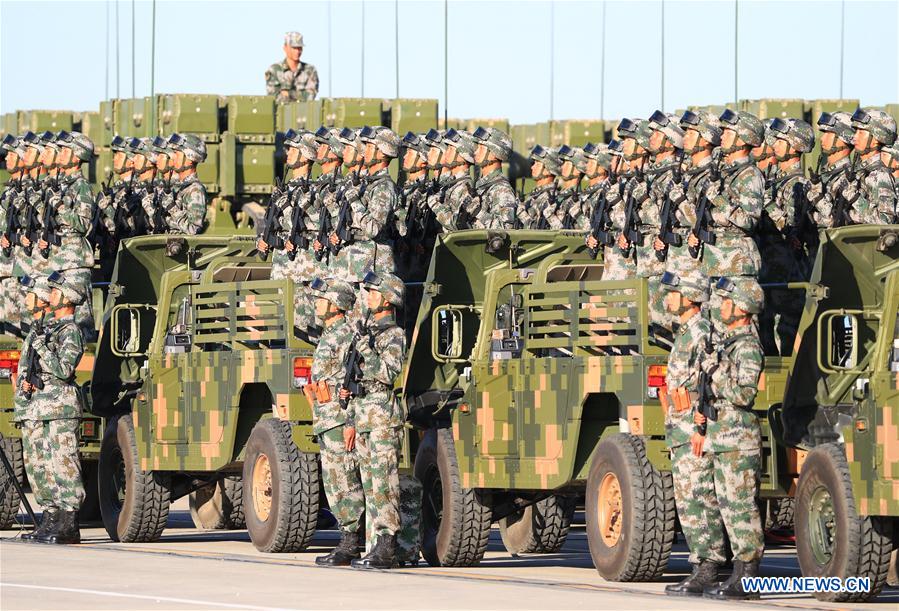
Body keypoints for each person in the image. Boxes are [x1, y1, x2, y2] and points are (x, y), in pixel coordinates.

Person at [699, 276, 766, 600]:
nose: (721, 306)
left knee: (742, 509)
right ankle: (738, 574)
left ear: (741, 308)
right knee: (728, 507)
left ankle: (748, 577)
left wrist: (716, 371)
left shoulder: (748, 346)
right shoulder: (730, 342)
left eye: (727, 301)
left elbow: (744, 393)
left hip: (739, 441)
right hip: (723, 438)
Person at [660, 270, 722, 598]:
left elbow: (710, 381)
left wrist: (701, 426)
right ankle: (699, 565)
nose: (667, 297)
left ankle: (708, 565)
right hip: (680, 427)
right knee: (687, 498)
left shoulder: (700, 333)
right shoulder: (685, 332)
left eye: (673, 292)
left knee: (699, 497)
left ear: (689, 298)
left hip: (693, 428)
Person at [15, 271, 87, 545]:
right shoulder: (47, 331)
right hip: (40, 407)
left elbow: (64, 370)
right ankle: (51, 518)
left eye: (57, 292)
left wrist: (42, 349)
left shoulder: (71, 332)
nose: (51, 295)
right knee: (41, 466)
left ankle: (69, 523)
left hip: (60, 407)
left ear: (67, 298)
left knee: (64, 463)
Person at [344, 271, 407, 569]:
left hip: (382, 414)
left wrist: (366, 348)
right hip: (365, 411)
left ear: (386, 298)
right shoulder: (368, 332)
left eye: (372, 292)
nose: (367, 296)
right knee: (370, 484)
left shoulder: (394, 335)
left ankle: (388, 547)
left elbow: (387, 372)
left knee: (384, 483)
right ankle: (377, 544)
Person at [308, 276, 365, 566]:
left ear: (336, 304)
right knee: (334, 481)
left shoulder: (345, 336)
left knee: (344, 481)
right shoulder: (328, 335)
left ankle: (350, 542)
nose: (316, 304)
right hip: (326, 419)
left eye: (322, 299)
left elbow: (355, 379)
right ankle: (349, 538)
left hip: (340, 419)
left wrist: (352, 420)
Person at [759, 118, 814, 355]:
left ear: (796, 145)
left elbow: (791, 226)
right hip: (768, 265)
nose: (775, 145)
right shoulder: (775, 181)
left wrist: (765, 202)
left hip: (787, 269)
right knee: (764, 328)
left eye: (782, 141)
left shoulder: (798, 183)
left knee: (785, 334)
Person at [41, 131, 96, 337]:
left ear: (77, 156)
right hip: (59, 259)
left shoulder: (81, 186)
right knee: (58, 320)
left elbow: (82, 224)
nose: (60, 154)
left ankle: (86, 367)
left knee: (81, 324)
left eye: (66, 150)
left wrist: (60, 206)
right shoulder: (61, 185)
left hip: (75, 262)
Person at [838, 108, 897, 224]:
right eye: (856, 132)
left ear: (876, 138)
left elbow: (886, 221)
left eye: (861, 132)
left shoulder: (880, 175)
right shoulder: (861, 171)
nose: (855, 137)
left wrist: (854, 198)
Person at [1, 134, 26, 337]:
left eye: (11, 155)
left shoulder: (30, 190)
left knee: (19, 332)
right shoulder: (8, 190)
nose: (6, 159)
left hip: (20, 269)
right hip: (6, 269)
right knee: (8, 331)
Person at [470, 127, 517, 230]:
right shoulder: (482, 185)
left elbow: (505, 229)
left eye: (481, 148)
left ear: (495, 153)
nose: (476, 152)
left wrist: (477, 212)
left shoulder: (502, 190)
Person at [165, 133, 208, 237]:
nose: (173, 157)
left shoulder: (195, 190)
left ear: (189, 159)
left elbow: (193, 229)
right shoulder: (180, 187)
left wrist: (172, 207)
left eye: (177, 154)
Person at [265, 31, 320, 103]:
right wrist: (300, 95)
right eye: (294, 48)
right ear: (285, 48)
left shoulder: (310, 70)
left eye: (299, 48)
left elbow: (310, 96)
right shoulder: (274, 70)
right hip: (281, 113)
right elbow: (273, 97)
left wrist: (289, 94)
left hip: (304, 113)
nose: (297, 51)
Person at [520, 145, 560, 229]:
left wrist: (522, 214)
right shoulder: (535, 195)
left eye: (537, 163)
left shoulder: (552, 199)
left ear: (548, 169)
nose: (532, 167)